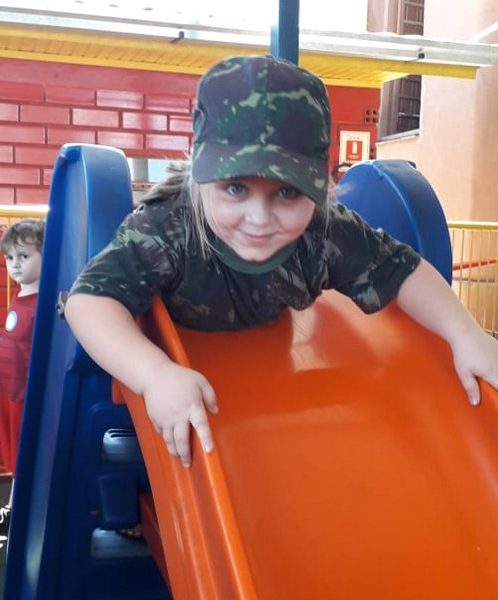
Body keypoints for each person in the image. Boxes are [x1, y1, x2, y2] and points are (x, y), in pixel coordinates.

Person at [64, 54, 498, 471]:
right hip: (186, 368)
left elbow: (403, 270)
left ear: (319, 189)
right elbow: (90, 301)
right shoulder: (167, 229)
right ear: (201, 176)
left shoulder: (325, 233)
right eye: (235, 189)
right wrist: (154, 375)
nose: (259, 218)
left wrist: (464, 333)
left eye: (287, 193)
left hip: (272, 380)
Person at [0, 218, 44, 533]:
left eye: (24, 256)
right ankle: (15, 506)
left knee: (26, 453)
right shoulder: (21, 295)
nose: (14, 264)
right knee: (14, 452)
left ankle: (22, 508)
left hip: (28, 394)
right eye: (9, 257)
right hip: (10, 391)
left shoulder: (44, 302)